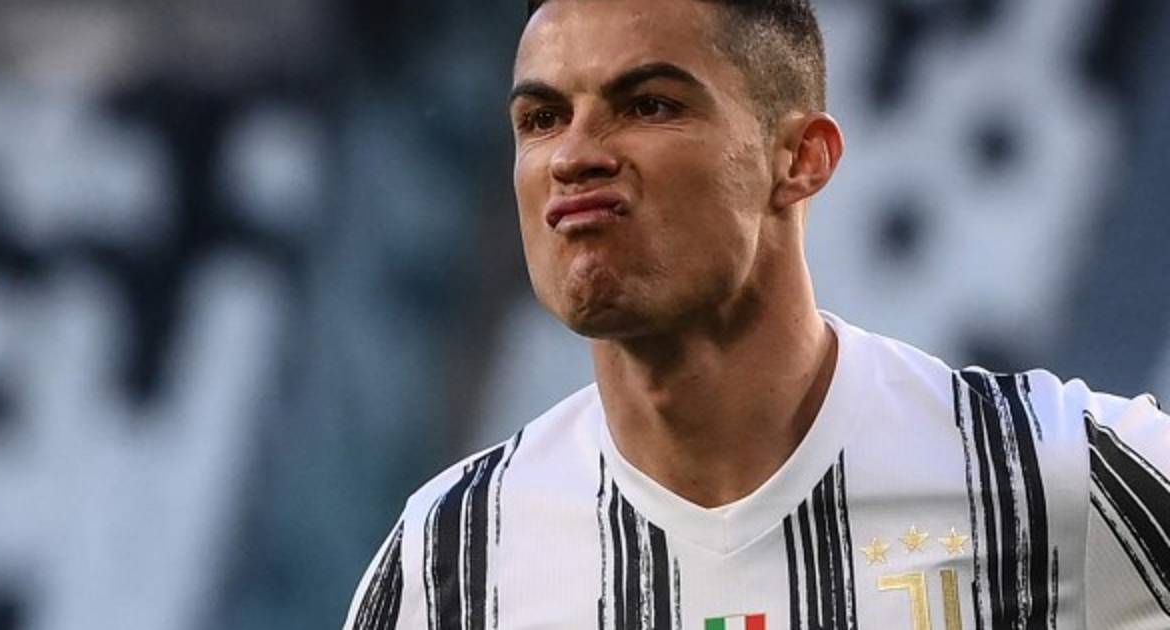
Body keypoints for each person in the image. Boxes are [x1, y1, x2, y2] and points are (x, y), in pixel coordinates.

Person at [343, 0, 1170, 627]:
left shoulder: (1043, 473)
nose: (573, 155)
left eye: (649, 104)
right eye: (542, 119)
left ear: (802, 158)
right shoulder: (451, 559)